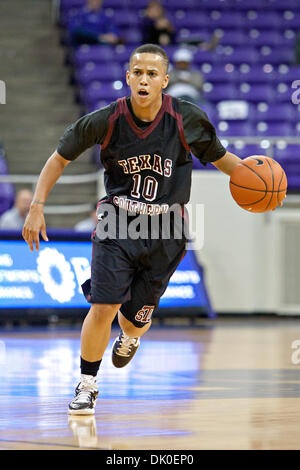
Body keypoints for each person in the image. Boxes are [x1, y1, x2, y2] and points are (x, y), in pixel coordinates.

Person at [23, 43, 258, 415]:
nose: (144, 79)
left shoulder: (187, 119)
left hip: (166, 229)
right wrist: (37, 206)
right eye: (138, 72)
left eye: (152, 74)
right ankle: (87, 384)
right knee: (104, 306)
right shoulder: (106, 119)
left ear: (165, 81)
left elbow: (223, 160)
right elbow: (59, 158)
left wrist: (257, 181)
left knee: (134, 322)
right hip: (117, 222)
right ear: (127, 77)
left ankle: (130, 337)